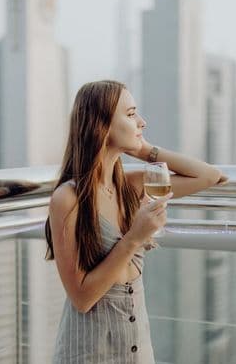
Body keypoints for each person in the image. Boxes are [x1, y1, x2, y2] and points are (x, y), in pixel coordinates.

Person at [45, 80, 224, 363]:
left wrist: (146, 150)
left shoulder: (133, 184)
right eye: (130, 115)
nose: (142, 121)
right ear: (101, 126)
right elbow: (81, 298)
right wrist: (134, 238)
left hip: (138, 348)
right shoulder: (68, 199)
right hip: (90, 351)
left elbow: (209, 175)